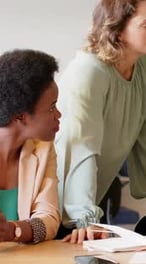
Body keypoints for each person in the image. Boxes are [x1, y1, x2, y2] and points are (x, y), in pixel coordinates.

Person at [55, 0, 146, 244]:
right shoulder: (88, 71)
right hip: (58, 202)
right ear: (117, 32)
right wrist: (84, 219)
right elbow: (81, 149)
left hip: (91, 196)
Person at [0, 49, 61, 243]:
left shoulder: (43, 149)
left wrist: (14, 230)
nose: (58, 115)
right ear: (20, 115)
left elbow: (50, 218)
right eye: (51, 107)